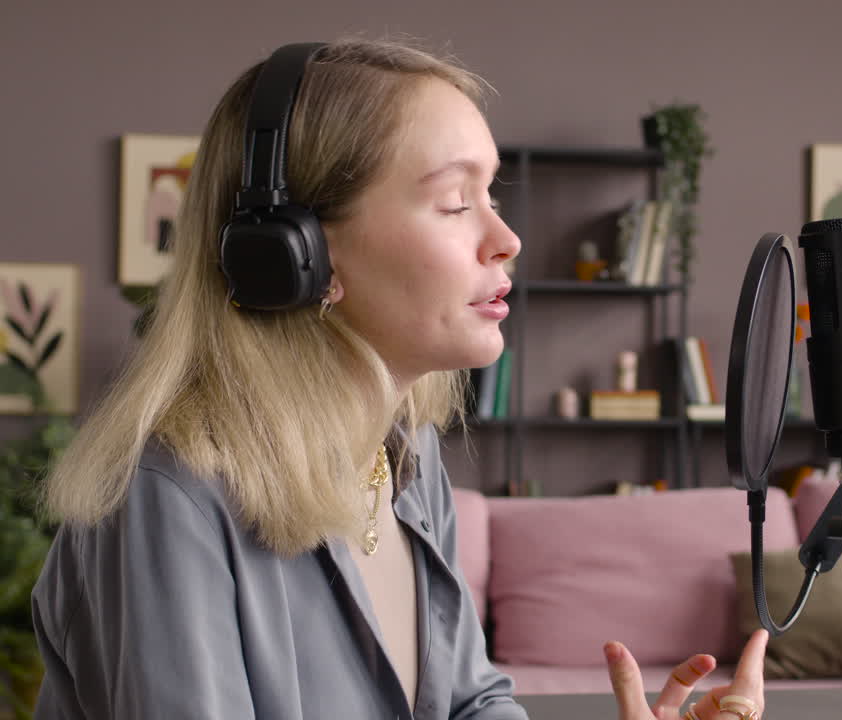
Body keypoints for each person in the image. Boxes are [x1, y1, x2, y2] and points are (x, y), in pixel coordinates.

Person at [29, 37, 768, 720]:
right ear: (298, 253)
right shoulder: (170, 494)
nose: (506, 240)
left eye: (493, 197)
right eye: (455, 202)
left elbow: (470, 702)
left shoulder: (403, 457)